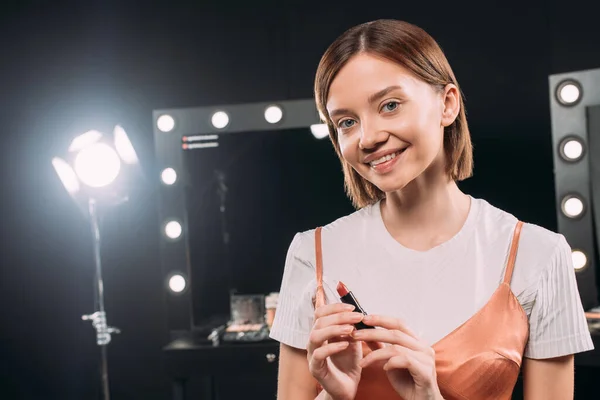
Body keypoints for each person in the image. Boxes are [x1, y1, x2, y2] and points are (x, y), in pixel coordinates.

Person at [269, 19, 594, 400]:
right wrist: (335, 395)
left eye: (390, 105)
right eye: (346, 122)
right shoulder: (312, 254)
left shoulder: (537, 255)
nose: (368, 137)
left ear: (447, 104)